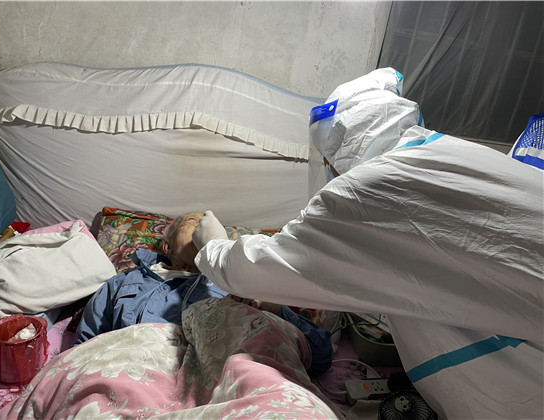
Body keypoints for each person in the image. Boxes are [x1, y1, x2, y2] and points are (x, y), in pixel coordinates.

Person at [191, 68, 544, 419]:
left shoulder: (370, 190)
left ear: (343, 143)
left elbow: (254, 271)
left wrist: (212, 243)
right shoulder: (455, 153)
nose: (329, 170)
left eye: (328, 160)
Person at [75, 211, 333, 377]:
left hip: (214, 382)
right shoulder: (125, 283)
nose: (201, 228)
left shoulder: (240, 285)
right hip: (132, 372)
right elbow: (83, 349)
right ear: (167, 245)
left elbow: (320, 356)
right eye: (192, 222)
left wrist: (273, 308)